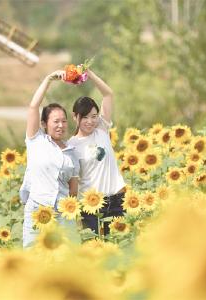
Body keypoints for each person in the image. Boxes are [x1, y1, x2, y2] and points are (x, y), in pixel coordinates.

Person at [20, 70, 80, 248]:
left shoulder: (72, 153)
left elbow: (73, 191)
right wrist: (48, 79)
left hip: (62, 213)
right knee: (32, 255)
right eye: (56, 121)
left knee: (68, 256)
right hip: (37, 209)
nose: (61, 125)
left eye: (64, 121)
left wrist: (71, 214)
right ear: (44, 124)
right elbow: (33, 107)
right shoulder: (36, 141)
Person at [67, 68, 125, 235]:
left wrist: (89, 74)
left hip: (116, 201)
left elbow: (108, 95)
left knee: (121, 246)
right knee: (95, 252)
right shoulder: (72, 146)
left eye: (93, 116)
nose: (90, 121)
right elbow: (74, 181)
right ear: (75, 117)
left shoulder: (101, 129)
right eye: (84, 117)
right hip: (90, 206)